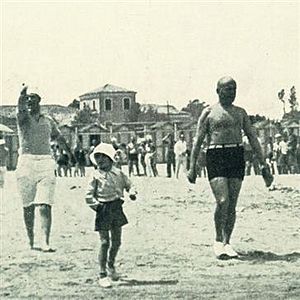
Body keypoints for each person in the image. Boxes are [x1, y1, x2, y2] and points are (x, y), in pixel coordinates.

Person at [187, 76, 267, 259]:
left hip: (236, 155)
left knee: (232, 204)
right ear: (218, 91)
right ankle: (217, 241)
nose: (231, 92)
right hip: (216, 156)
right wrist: (192, 168)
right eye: (227, 89)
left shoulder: (241, 113)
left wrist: (263, 164)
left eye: (234, 89)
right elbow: (197, 141)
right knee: (222, 200)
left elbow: (253, 138)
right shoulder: (208, 113)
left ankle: (227, 242)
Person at [16, 85, 72, 252]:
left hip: (46, 162)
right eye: (27, 99)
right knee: (28, 206)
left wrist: (70, 154)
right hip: (26, 162)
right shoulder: (22, 117)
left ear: (39, 100)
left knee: (45, 204)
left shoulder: (48, 120)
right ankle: (31, 240)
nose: (30, 101)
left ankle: (45, 241)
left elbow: (59, 137)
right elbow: (20, 106)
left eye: (33, 98)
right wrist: (21, 94)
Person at [85, 143, 137, 288]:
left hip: (116, 207)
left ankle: (111, 265)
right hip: (103, 208)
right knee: (104, 242)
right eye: (97, 157)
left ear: (110, 158)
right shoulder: (95, 175)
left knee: (116, 241)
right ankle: (102, 274)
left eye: (103, 156)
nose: (100, 160)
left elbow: (130, 185)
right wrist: (98, 207)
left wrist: (132, 192)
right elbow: (88, 195)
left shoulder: (119, 173)